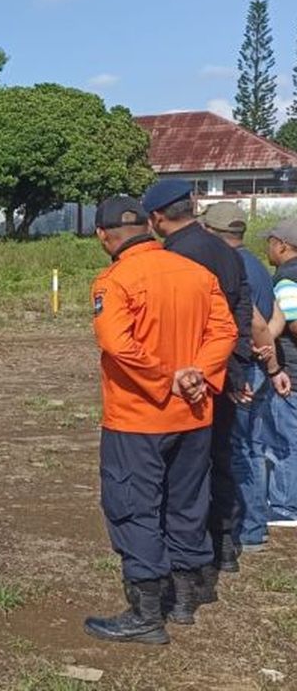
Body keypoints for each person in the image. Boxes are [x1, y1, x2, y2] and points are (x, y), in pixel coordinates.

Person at [84, 196, 237, 645]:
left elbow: (117, 343)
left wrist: (167, 379)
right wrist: (200, 375)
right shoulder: (196, 273)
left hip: (138, 416)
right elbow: (224, 330)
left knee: (134, 506)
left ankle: (147, 612)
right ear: (147, 228)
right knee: (188, 501)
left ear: (102, 235)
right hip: (194, 413)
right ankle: (187, 597)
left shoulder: (115, 281)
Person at [141, 179, 254, 576]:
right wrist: (235, 362)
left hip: (189, 378)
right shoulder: (225, 251)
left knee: (186, 472)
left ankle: (192, 562)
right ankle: (225, 548)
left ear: (156, 218)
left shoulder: (175, 257)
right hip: (223, 368)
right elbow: (240, 309)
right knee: (221, 458)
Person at [201, 202, 291, 551]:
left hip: (247, 370)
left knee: (240, 449)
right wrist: (269, 351)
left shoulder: (229, 265)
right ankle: (253, 525)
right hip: (261, 366)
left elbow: (253, 321)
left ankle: (249, 529)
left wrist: (263, 357)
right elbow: (277, 316)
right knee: (251, 445)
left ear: (210, 232)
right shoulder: (255, 262)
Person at [264, 219, 297, 529]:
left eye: (271, 243)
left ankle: (286, 506)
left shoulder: (286, 280)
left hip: (292, 373)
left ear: (283, 246)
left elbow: (294, 323)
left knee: (285, 440)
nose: (268, 248)